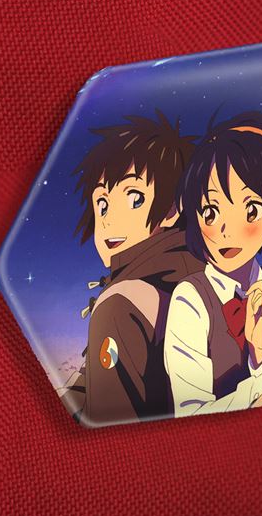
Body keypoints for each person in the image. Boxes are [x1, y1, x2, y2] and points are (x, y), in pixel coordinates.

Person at [163, 111, 262, 415]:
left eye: (251, 210)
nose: (226, 230)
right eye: (211, 212)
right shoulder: (190, 299)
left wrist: (260, 349)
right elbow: (189, 410)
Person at [58, 111, 200, 426]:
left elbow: (108, 422)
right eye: (102, 203)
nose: (109, 219)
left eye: (134, 198)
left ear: (172, 210)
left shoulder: (120, 303)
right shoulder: (204, 278)